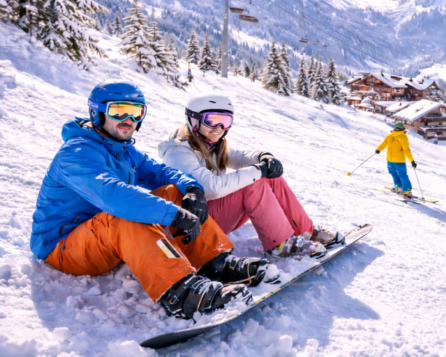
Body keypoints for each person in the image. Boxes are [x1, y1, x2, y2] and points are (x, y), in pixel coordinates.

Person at [31, 81, 277, 320]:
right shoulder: (76, 153)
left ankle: (216, 263)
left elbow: (162, 172)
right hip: (63, 247)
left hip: (100, 235)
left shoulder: (122, 149)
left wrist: (192, 189)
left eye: (136, 112)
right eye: (119, 111)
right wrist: (173, 214)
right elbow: (114, 195)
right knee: (125, 214)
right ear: (97, 113)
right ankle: (182, 294)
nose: (129, 119)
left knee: (174, 190)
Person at [159, 94, 342, 259]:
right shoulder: (178, 152)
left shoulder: (210, 144)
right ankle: (280, 245)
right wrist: (257, 171)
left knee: (269, 177)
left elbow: (239, 157)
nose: (220, 128)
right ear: (193, 119)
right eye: (212, 121)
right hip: (194, 224)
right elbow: (211, 187)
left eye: (226, 121)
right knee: (253, 183)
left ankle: (305, 231)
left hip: (213, 215)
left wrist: (263, 157)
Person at [375, 121, 417, 197]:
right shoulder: (393, 136)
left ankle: (406, 189)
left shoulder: (399, 136)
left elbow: (406, 149)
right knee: (397, 174)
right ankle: (400, 187)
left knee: (398, 174)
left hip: (394, 159)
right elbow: (406, 150)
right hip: (394, 160)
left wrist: (378, 149)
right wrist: (378, 149)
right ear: (402, 128)